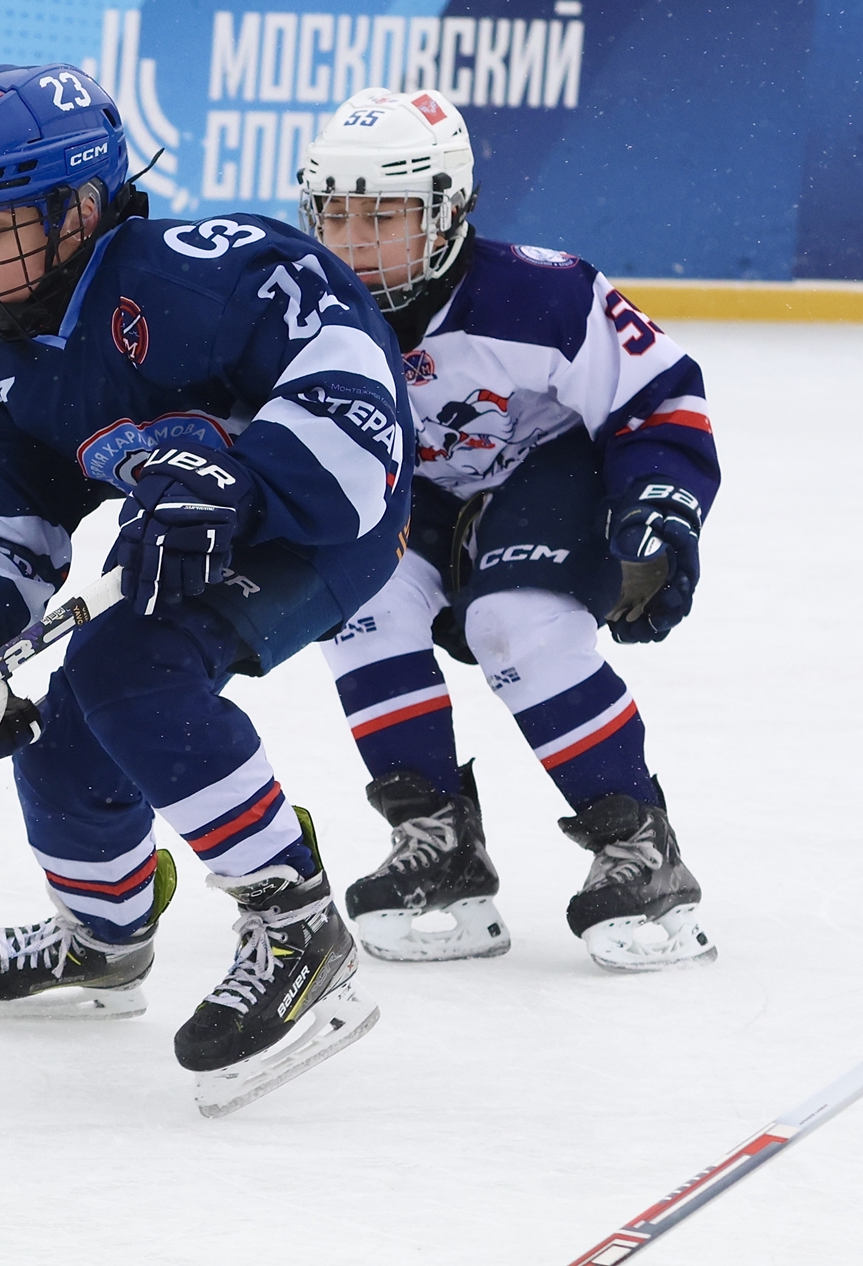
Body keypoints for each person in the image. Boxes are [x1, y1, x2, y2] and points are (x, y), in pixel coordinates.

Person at [0, 64, 415, 1116]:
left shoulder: (196, 276)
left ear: (78, 210)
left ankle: (296, 926)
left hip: (328, 514)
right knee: (58, 705)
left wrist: (250, 482)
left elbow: (356, 377)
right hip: (186, 523)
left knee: (124, 666)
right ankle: (102, 937)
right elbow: (5, 515)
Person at [301, 89, 721, 972]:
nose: (357, 245)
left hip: (549, 469)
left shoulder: (543, 295)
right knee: (353, 598)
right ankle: (438, 838)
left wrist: (659, 507)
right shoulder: (301, 313)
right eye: (337, 217)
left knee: (513, 622)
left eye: (386, 216)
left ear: (449, 212)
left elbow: (659, 395)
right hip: (419, 489)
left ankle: (640, 842)